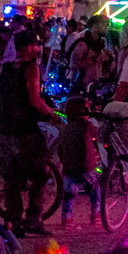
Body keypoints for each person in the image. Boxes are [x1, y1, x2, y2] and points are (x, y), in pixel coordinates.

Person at [0, 30, 61, 235]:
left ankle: (13, 222)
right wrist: (53, 114)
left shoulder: (5, 68)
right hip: (25, 131)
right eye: (36, 46)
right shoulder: (31, 68)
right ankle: (33, 219)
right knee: (40, 174)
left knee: (13, 179)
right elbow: (34, 100)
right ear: (28, 48)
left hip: (5, 131)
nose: (38, 49)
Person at [53, 97, 102, 226]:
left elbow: (60, 149)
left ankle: (67, 218)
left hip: (69, 168)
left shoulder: (65, 129)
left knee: (69, 194)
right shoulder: (86, 126)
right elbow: (98, 136)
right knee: (95, 189)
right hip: (86, 167)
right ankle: (96, 214)